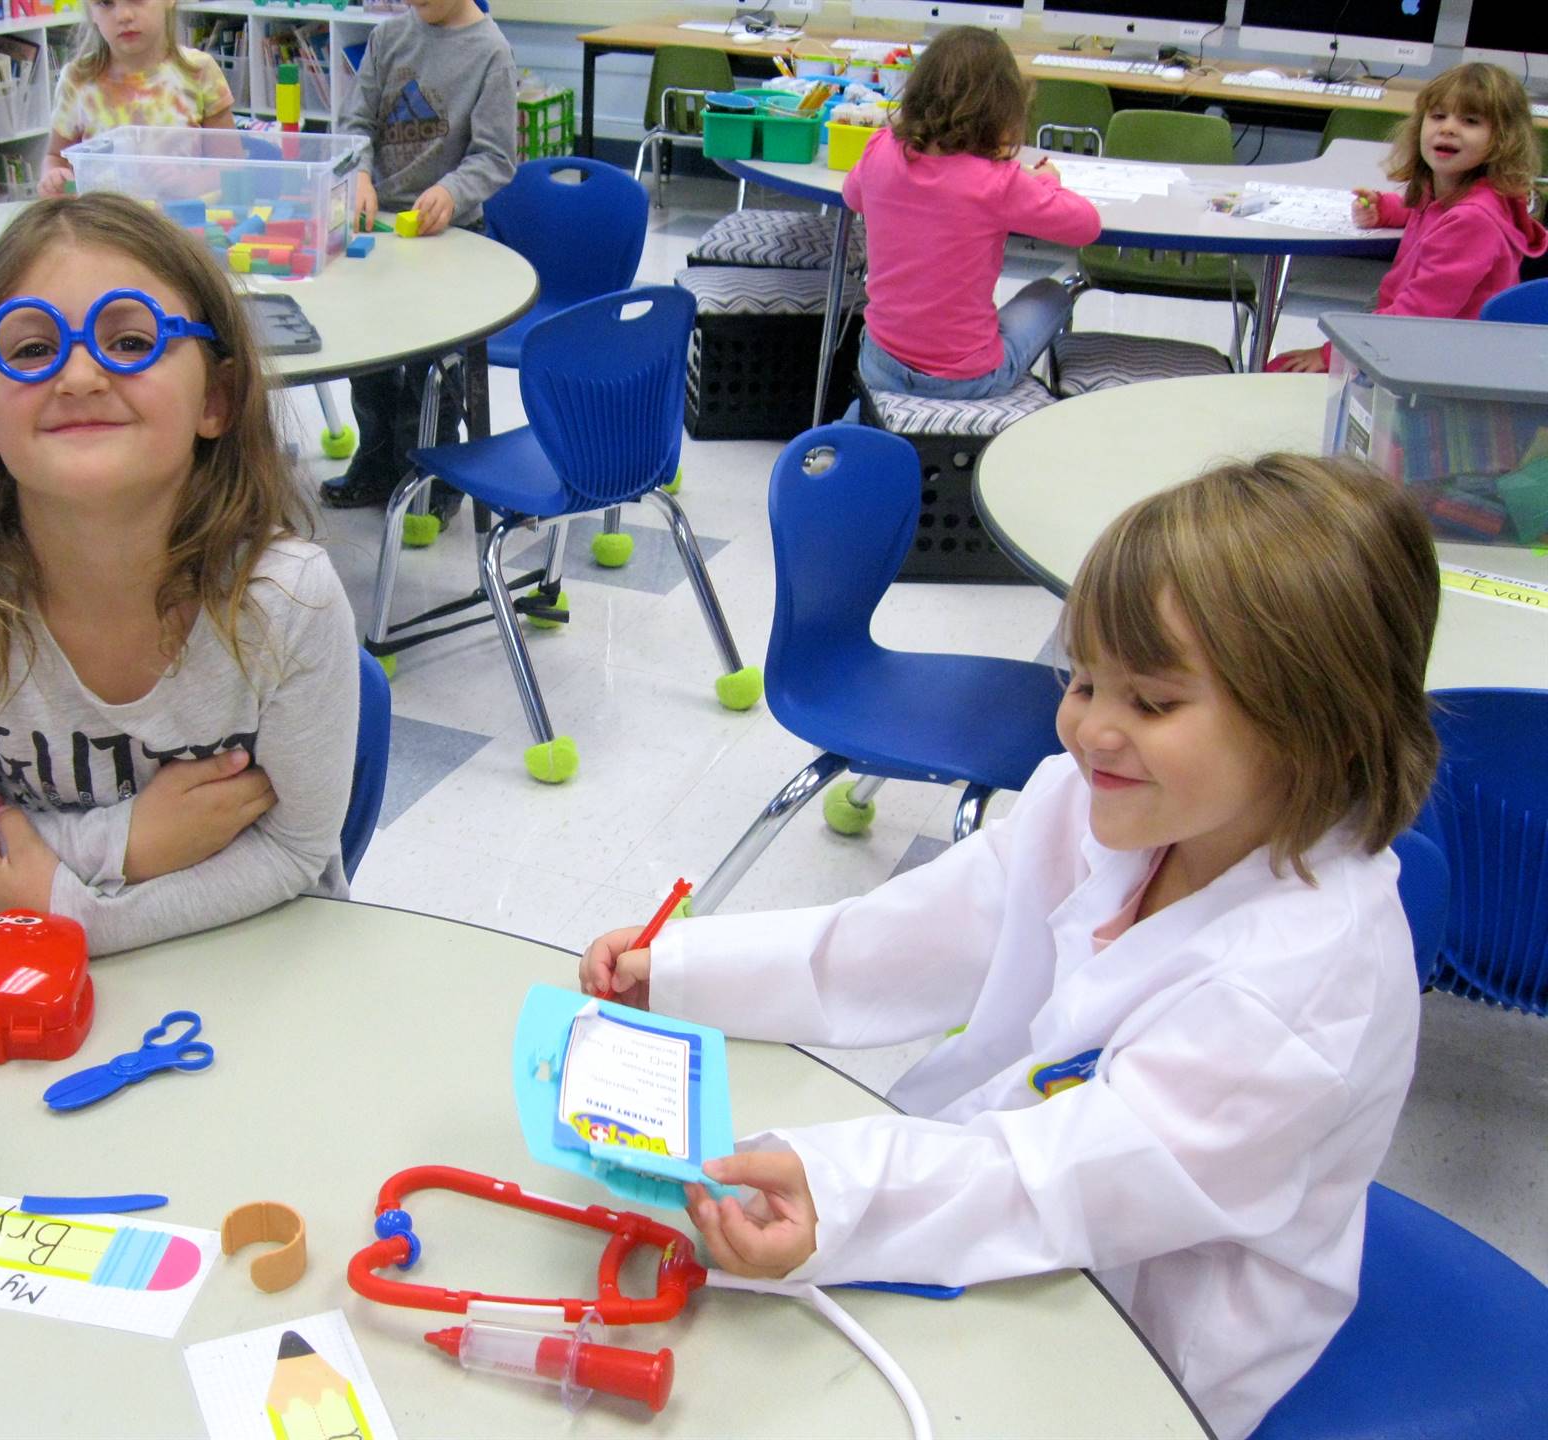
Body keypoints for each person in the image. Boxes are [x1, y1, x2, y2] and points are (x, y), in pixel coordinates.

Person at [580, 454, 1443, 1440]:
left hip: (1150, 1329)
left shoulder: (1305, 986)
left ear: (1318, 725)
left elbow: (1073, 1180)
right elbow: (908, 937)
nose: (1090, 730)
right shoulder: (1110, 805)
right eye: (1082, 681)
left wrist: (846, 1193)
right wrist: (692, 973)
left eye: (1152, 703)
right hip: (1001, 1197)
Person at [0, 193, 359, 956]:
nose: (78, 375)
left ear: (217, 398)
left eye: (131, 340)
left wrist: (72, 914)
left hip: (261, 966)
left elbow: (296, 852)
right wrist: (130, 844)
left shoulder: (289, 600)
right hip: (34, 987)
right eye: (31, 350)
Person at [320, 0, 516, 512]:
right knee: (369, 355)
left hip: (451, 237)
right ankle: (377, 459)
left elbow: (495, 156)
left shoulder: (491, 51)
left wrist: (452, 192)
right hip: (379, 229)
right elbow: (354, 123)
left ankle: (434, 472)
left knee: (434, 370)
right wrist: (359, 172)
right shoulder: (389, 39)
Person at [845, 25, 1101, 405]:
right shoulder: (998, 183)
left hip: (879, 363)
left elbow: (853, 196)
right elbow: (1086, 225)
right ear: (1002, 105)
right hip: (967, 380)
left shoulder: (880, 148)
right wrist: (1048, 183)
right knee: (1053, 293)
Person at [1271, 62, 1547, 372]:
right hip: (1417, 341)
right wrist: (1386, 209)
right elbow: (1422, 206)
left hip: (1437, 362)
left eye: (1470, 121)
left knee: (1279, 370)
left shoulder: (1473, 220)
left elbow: (1416, 315)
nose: (1448, 128)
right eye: (1438, 116)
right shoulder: (1455, 192)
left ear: (1503, 140)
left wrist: (1329, 354)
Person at [39, 0, 234, 199]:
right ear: (91, 12)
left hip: (179, 223)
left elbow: (232, 167)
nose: (124, 16)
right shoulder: (77, 80)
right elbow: (56, 157)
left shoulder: (199, 71)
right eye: (105, 3)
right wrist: (55, 178)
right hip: (105, 221)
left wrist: (187, 184)